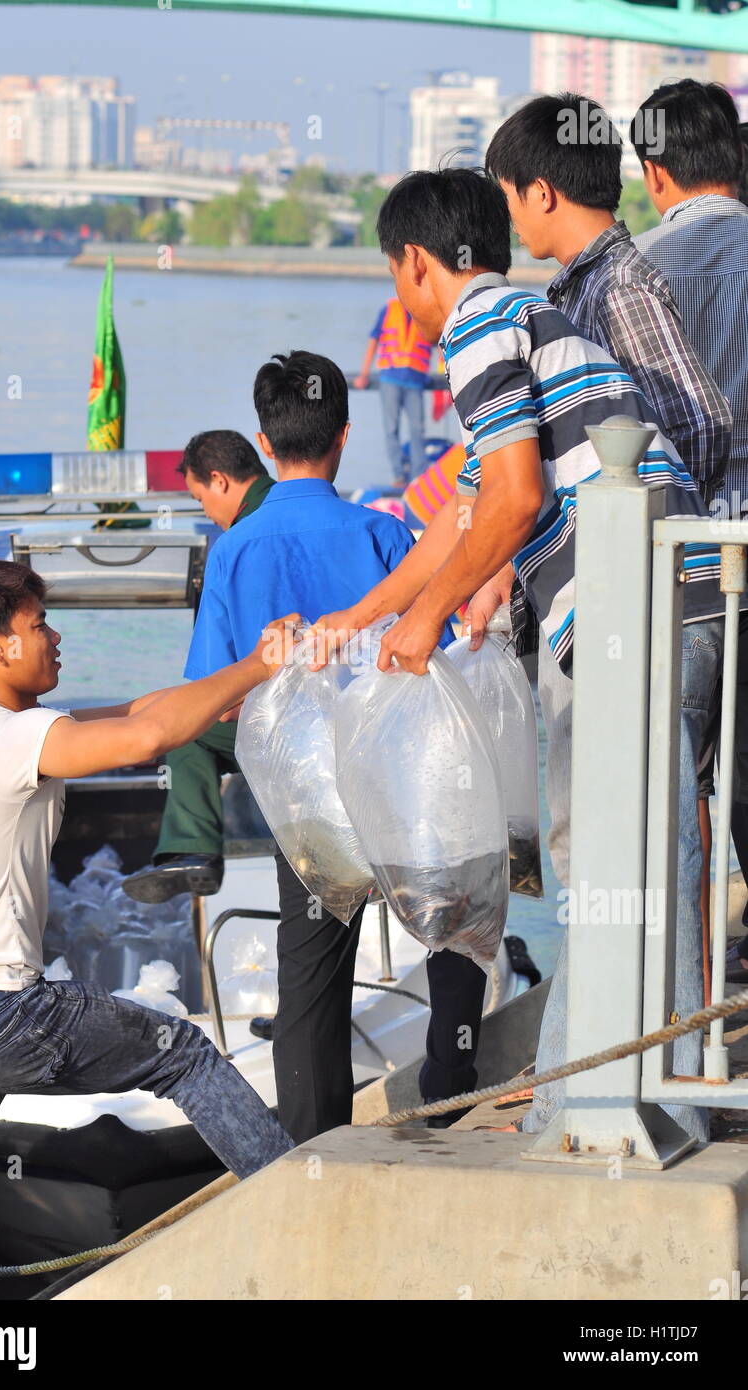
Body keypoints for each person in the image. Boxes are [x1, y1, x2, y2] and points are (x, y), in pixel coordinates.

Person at [310, 167, 726, 1142]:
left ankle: (646, 1116)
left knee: (623, 872)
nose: (397, 295)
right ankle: (567, 1105)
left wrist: (429, 618)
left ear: (416, 263)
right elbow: (464, 509)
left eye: (392, 273)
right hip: (688, 603)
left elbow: (512, 499)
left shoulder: (475, 327)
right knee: (609, 869)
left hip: (631, 614)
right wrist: (373, 614)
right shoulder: (528, 319)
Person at [0, 558, 296, 1300]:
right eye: (37, 625)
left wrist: (229, 690)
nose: (55, 636)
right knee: (186, 1056)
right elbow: (144, 743)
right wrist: (261, 661)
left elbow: (141, 712)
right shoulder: (14, 739)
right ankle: (305, 1210)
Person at [152, 348, 479, 1145]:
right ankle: (450, 1081)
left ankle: (311, 1149)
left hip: (306, 803)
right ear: (342, 434)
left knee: (310, 984)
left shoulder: (233, 550)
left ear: (265, 447)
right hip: (395, 781)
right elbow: (435, 648)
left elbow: (217, 689)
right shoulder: (385, 532)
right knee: (452, 926)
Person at [483, 91, 734, 933]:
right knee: (664, 805)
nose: (510, 218)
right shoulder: (582, 290)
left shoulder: (621, 283)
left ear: (541, 192)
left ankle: (655, 1027)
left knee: (636, 816)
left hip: (652, 592)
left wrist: (647, 529)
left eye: (509, 196)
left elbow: (698, 420)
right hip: (667, 589)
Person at [630, 80, 748, 977]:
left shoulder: (638, 271)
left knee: (671, 783)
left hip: (686, 559)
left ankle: (680, 1003)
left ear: (653, 169)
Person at [124, 430, 274, 902]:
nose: (206, 512)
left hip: (285, 716)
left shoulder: (232, 547)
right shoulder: (369, 525)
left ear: (219, 480)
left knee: (188, 729)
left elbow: (217, 683)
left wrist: (165, 721)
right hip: (352, 712)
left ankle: (191, 852)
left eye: (199, 498)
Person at [355, 296, 433, 486]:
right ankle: (399, 476)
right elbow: (373, 341)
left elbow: (439, 340)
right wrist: (364, 373)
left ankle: (418, 477)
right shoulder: (388, 309)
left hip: (416, 381)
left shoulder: (425, 309)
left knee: (417, 430)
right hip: (390, 379)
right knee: (391, 428)